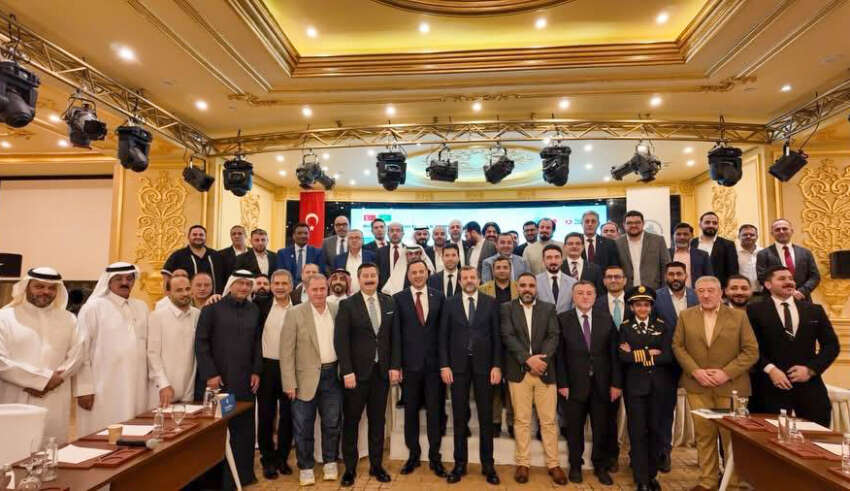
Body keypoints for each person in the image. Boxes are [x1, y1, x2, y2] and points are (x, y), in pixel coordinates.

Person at [672, 275, 758, 491]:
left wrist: (726, 373)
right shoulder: (686, 316)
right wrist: (695, 371)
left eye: (711, 290)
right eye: (701, 291)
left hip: (731, 387)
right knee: (704, 435)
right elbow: (678, 347)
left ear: (721, 293)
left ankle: (732, 483)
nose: (706, 295)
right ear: (696, 293)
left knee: (731, 438)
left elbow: (751, 351)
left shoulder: (739, 317)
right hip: (697, 386)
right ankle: (708, 481)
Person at [746, 266, 839, 427]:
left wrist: (810, 369)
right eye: (782, 279)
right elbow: (750, 347)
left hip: (809, 388)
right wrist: (770, 369)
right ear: (768, 285)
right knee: (767, 438)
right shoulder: (754, 310)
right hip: (768, 388)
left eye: (790, 278)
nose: (789, 282)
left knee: (817, 437)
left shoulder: (814, 310)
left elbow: (832, 346)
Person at [195, 269, 262, 488]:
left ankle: (244, 475)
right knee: (221, 431)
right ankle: (221, 481)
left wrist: (256, 371)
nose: (244, 287)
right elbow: (201, 343)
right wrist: (210, 374)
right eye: (240, 283)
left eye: (248, 284)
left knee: (244, 429)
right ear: (230, 285)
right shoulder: (212, 309)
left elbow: (257, 343)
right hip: (221, 383)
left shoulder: (254, 310)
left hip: (245, 383)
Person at [0, 267, 82, 444]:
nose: (46, 292)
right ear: (26, 287)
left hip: (55, 396)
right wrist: (37, 381)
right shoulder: (5, 317)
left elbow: (77, 354)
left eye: (51, 288)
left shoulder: (69, 319)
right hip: (16, 396)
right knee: (14, 448)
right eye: (39, 286)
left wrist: (55, 379)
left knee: (52, 446)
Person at [500, 273, 567, 485]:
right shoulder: (507, 308)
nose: (527, 289)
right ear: (517, 288)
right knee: (521, 420)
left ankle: (554, 464)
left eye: (531, 285)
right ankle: (523, 463)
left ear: (536, 288)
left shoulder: (548, 308)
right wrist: (528, 360)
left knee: (548, 421)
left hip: (545, 372)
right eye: (523, 285)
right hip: (519, 372)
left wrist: (541, 361)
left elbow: (553, 336)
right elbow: (508, 336)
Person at [439, 266, 502, 485]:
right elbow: (442, 337)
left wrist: (497, 365)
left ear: (478, 280)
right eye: (464, 277)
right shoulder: (449, 304)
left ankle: (488, 465)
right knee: (459, 417)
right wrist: (444, 365)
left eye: (472, 277)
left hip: (485, 367)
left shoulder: (491, 303)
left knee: (486, 417)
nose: (468, 280)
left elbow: (497, 337)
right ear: (459, 281)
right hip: (457, 367)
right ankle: (459, 464)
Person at [334, 263, 395, 486]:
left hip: (381, 374)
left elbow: (393, 338)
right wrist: (347, 370)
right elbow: (340, 341)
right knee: (351, 421)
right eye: (365, 275)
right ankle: (350, 469)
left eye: (373, 275)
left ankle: (376, 466)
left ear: (378, 278)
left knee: (378, 421)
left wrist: (394, 366)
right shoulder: (347, 305)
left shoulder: (389, 302)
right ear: (358, 279)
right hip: (356, 376)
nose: (369, 279)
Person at [556, 281, 622, 485]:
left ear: (595, 296)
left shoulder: (606, 319)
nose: (585, 297)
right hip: (573, 385)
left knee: (601, 428)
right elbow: (559, 356)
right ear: (573, 297)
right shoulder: (562, 319)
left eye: (589, 293)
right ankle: (575, 465)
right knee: (574, 429)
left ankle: (600, 466)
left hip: (602, 385)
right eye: (580, 293)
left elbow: (614, 354)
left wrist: (616, 384)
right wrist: (562, 383)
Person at [280, 274, 342, 487]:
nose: (319, 293)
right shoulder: (294, 314)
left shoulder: (336, 310)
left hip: (332, 376)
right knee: (303, 426)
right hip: (303, 379)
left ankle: (330, 462)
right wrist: (289, 383)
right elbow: (286, 352)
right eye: (314, 289)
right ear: (307, 290)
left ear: (328, 289)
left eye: (322, 289)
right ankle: (306, 466)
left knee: (332, 423)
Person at [74, 263, 149, 436]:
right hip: (104, 387)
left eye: (129, 279)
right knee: (101, 434)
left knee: (134, 432)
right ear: (108, 281)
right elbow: (81, 351)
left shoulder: (141, 307)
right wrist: (84, 389)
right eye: (119, 279)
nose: (125, 282)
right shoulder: (93, 308)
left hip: (137, 385)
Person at [391, 259, 447, 478]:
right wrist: (396, 365)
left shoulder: (439, 297)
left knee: (435, 412)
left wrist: (444, 363)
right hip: (409, 367)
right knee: (411, 412)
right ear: (408, 276)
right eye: (413, 272)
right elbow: (396, 335)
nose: (417, 275)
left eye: (421, 271)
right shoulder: (399, 299)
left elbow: (443, 333)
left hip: (434, 367)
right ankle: (413, 455)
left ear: (427, 273)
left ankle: (435, 457)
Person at [618, 286, 673, 491]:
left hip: (658, 387)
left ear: (651, 307)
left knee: (655, 431)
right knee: (638, 432)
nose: (642, 308)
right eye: (638, 305)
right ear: (632, 307)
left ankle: (652, 475)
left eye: (646, 305)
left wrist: (636, 354)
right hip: (635, 388)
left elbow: (667, 356)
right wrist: (651, 354)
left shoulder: (662, 326)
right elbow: (623, 356)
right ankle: (641, 478)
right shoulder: (625, 327)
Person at [653, 262, 697, 472]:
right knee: (664, 409)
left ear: (686, 275)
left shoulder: (697, 296)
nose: (675, 277)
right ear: (666, 276)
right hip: (666, 361)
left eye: (679, 273)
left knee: (703, 409)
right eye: (671, 274)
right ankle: (664, 452)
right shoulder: (656, 297)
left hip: (696, 361)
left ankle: (709, 456)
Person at [256, 269, 295, 479]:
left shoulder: (299, 307)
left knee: (288, 415)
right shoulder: (260, 306)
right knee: (266, 415)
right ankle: (267, 459)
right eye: (276, 283)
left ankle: (282, 457)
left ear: (291, 286)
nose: (280, 287)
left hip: (291, 368)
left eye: (284, 283)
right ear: (271, 286)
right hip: (267, 368)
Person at [147, 275, 198, 409]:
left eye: (187, 289)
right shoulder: (157, 316)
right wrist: (163, 384)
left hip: (188, 390)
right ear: (168, 293)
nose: (185, 293)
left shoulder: (197, 314)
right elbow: (152, 354)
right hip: (163, 391)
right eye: (179, 290)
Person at [479, 255, 517, 437]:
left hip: (514, 343)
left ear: (510, 269)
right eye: (498, 267)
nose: (502, 270)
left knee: (512, 384)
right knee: (492, 384)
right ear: (493, 270)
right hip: (490, 342)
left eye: (505, 267)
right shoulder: (483, 289)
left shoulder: (519, 288)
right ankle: (494, 422)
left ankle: (511, 422)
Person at [756, 218, 820, 300]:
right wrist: (784, 291)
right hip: (774, 298)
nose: (781, 231)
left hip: (802, 298)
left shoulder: (805, 253)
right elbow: (762, 277)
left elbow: (815, 276)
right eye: (777, 230)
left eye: (785, 229)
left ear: (792, 231)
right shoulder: (763, 254)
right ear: (772, 233)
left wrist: (802, 291)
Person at [615, 210, 670, 290]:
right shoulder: (617, 243)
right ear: (624, 225)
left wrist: (664, 290)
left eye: (637, 222)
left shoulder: (658, 241)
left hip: (654, 290)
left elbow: (666, 266)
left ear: (643, 223)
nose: (633, 225)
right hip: (625, 290)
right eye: (629, 223)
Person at [163, 224, 225, 293]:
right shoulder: (178, 255)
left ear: (205, 237)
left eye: (201, 235)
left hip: (214, 297)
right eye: (194, 235)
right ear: (188, 237)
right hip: (187, 298)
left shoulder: (216, 255)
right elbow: (167, 276)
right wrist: (167, 295)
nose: (198, 237)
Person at [692, 212, 738, 287]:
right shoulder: (691, 243)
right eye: (707, 222)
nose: (711, 225)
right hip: (694, 288)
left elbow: (732, 272)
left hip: (719, 289)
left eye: (715, 223)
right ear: (700, 224)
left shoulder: (728, 245)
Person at [536, 244, 577, 314]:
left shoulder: (573, 283)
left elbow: (574, 308)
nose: (553, 261)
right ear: (543, 261)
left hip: (566, 320)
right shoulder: (535, 281)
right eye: (549, 258)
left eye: (557, 257)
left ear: (562, 260)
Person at [670, 222, 713, 288]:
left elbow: (709, 279)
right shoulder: (665, 253)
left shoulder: (703, 255)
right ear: (673, 236)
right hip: (669, 293)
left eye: (685, 234)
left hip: (695, 293)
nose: (682, 237)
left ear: (692, 236)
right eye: (678, 234)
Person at [376, 221, 406, 289]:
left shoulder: (409, 250)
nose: (395, 233)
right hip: (385, 290)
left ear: (403, 234)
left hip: (404, 289)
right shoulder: (379, 252)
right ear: (388, 234)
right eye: (392, 231)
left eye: (398, 230)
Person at [736, 224, 762, 291]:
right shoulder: (733, 253)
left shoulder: (763, 252)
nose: (748, 236)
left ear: (757, 237)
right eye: (745, 235)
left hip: (762, 292)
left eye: (752, 235)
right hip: (740, 292)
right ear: (738, 237)